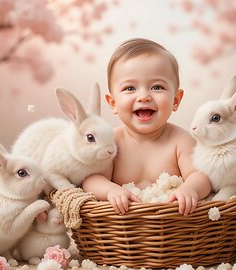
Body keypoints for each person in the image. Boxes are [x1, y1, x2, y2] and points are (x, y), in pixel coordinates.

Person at [82, 38, 211, 216]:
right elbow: (92, 179)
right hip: (122, 229)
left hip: (172, 226)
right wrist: (111, 191)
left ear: (176, 100)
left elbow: (201, 175)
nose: (143, 96)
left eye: (157, 87)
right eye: (130, 88)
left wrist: (190, 189)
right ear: (113, 103)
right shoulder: (111, 142)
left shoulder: (181, 141)